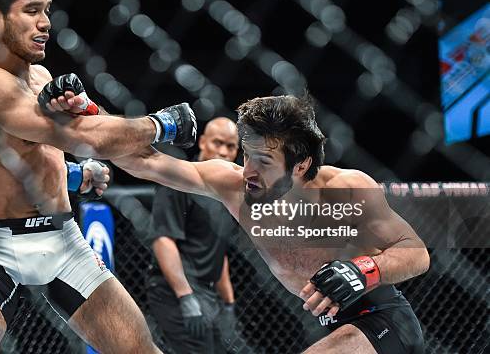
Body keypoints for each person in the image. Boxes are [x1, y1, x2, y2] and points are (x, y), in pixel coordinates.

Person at [0, 0, 197, 353]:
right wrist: (162, 125)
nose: (45, 23)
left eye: (47, 10)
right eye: (31, 11)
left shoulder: (41, 78)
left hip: (63, 240)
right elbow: (85, 137)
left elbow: (33, 150)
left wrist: (76, 175)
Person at [104, 95, 429, 353]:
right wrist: (92, 114)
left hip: (383, 321)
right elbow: (145, 161)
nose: (248, 172)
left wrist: (364, 269)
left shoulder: (345, 190)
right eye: (247, 156)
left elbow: (416, 254)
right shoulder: (233, 186)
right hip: (338, 329)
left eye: (264, 162)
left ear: (300, 166)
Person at [146, 117, 239, 354]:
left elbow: (219, 252)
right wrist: (185, 297)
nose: (223, 152)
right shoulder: (178, 180)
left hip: (208, 294)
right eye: (218, 143)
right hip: (174, 291)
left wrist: (228, 303)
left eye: (231, 147)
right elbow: (163, 240)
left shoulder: (226, 193)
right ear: (202, 142)